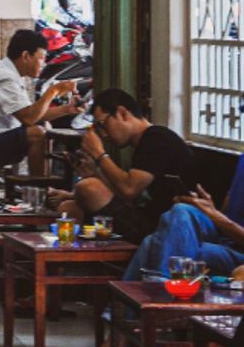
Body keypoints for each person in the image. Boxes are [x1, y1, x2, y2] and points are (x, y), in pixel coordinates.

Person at [55, 88, 200, 243]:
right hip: (146, 214)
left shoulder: (157, 138)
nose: (103, 134)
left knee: (89, 188)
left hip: (166, 224)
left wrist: (99, 154)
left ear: (122, 113)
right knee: (69, 208)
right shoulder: (145, 141)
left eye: (103, 124)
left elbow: (129, 190)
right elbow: (126, 192)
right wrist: (95, 171)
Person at [0, 29, 78, 177]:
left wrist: (67, 109)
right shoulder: (3, 77)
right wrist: (52, 92)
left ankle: (41, 185)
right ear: (26, 56)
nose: (43, 64)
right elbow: (29, 118)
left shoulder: (11, 74)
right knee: (37, 134)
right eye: (41, 58)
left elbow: (34, 115)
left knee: (44, 127)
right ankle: (39, 187)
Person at [121, 143, 244, 279]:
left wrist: (214, 215)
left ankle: (158, 290)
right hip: (226, 239)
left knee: (154, 243)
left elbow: (222, 220)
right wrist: (207, 207)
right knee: (182, 211)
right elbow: (227, 214)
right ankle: (157, 288)